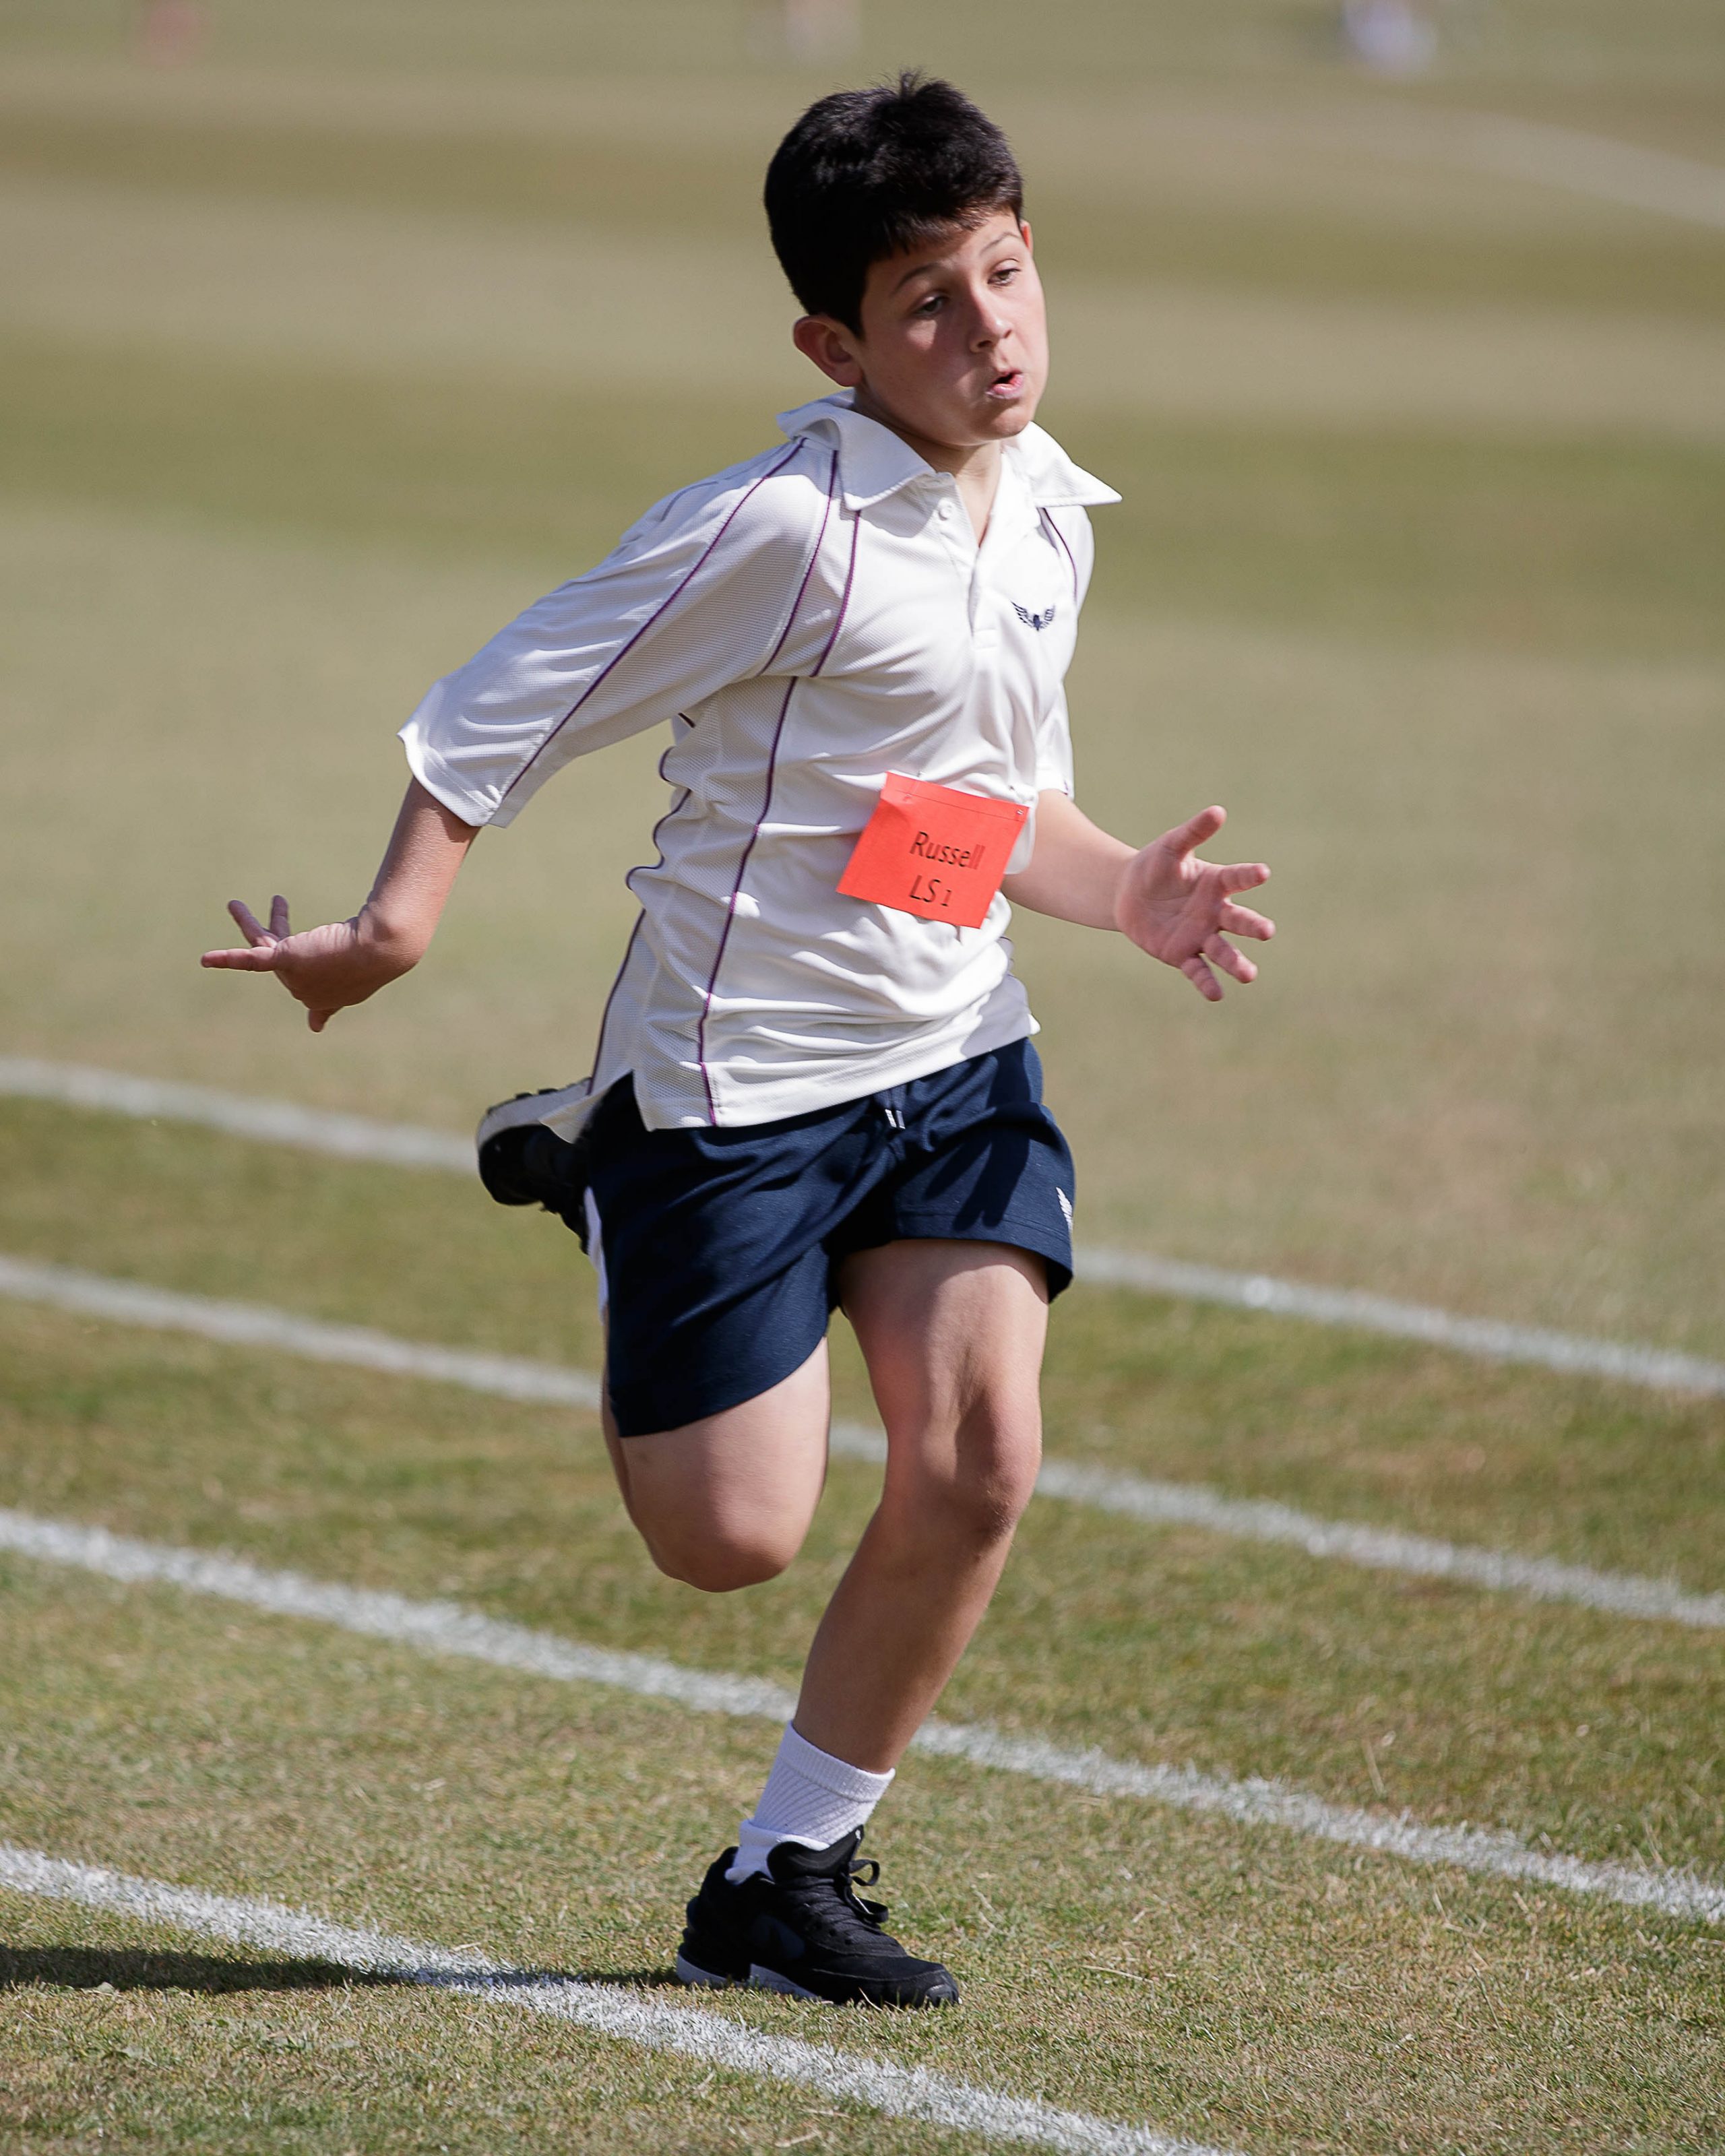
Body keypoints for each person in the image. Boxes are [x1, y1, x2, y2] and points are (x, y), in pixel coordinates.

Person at [202, 74, 1273, 2007]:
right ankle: (604, 1161)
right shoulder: (781, 529)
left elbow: (979, 805)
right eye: (928, 301)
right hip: (736, 1080)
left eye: (1006, 273)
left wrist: (1124, 890)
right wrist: (396, 924)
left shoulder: (1047, 508)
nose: (991, 328)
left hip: (953, 1054)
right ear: (832, 346)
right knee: (729, 1538)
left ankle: (786, 1872)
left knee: (981, 1459)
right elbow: (502, 702)